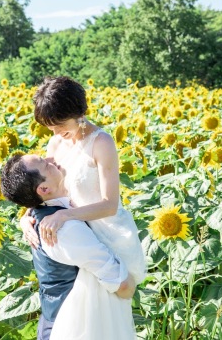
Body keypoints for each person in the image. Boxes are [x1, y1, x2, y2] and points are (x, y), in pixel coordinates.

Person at [24, 76, 147, 286]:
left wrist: (65, 215)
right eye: (50, 127)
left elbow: (110, 205)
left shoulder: (101, 143)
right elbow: (48, 189)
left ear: (79, 113)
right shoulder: (55, 143)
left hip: (108, 238)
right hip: (75, 240)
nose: (55, 132)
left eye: (60, 125)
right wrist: (27, 217)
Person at [1, 153, 136, 340]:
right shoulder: (64, 230)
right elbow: (122, 284)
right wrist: (132, 281)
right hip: (72, 328)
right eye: (45, 164)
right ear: (44, 189)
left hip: (54, 321)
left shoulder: (41, 212)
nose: (52, 159)